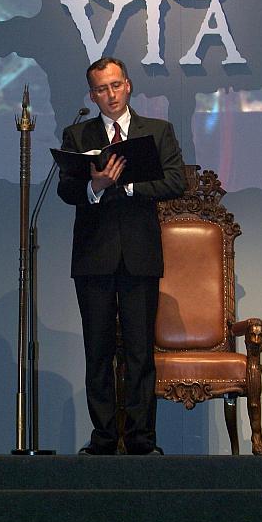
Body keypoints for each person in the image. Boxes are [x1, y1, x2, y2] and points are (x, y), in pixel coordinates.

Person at [57, 57, 186, 455]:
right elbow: (66, 189)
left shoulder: (157, 131)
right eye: (100, 89)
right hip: (94, 258)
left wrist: (128, 186)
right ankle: (104, 437)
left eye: (115, 86)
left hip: (139, 256)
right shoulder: (78, 133)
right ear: (91, 94)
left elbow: (176, 180)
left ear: (128, 86)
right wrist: (94, 187)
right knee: (97, 351)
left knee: (138, 351)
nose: (109, 95)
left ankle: (142, 440)